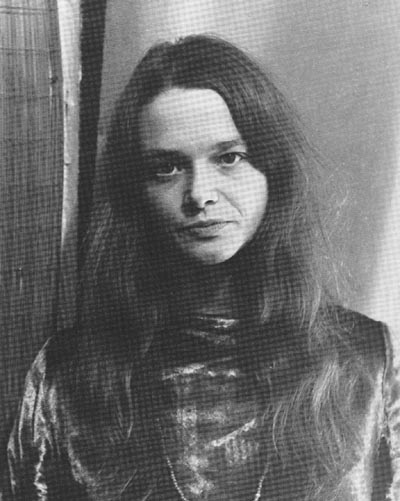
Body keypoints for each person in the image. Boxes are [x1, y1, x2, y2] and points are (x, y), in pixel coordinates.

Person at [4, 35, 399, 500]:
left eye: (229, 158)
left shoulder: (364, 361)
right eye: (167, 168)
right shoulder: (67, 378)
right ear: (136, 191)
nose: (199, 194)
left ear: (273, 172)